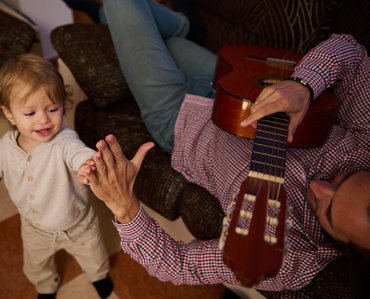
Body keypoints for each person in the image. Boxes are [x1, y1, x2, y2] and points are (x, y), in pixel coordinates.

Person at [82, 0, 370, 293]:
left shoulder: (288, 256)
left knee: (121, 6)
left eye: (327, 210)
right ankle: (180, 25)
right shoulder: (365, 147)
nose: (320, 187)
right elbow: (353, 52)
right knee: (143, 32)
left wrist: (125, 208)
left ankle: (163, 22)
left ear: (347, 250)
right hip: (236, 83)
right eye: (343, 178)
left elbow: (179, 263)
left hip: (180, 118)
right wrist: (304, 85)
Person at [0, 54, 114, 299]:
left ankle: (99, 275)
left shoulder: (64, 140)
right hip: (35, 228)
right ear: (9, 114)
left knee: (94, 256)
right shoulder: (5, 148)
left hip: (78, 224)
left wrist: (87, 164)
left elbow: (78, 153)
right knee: (35, 266)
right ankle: (46, 286)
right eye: (30, 113)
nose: (44, 119)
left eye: (53, 109)